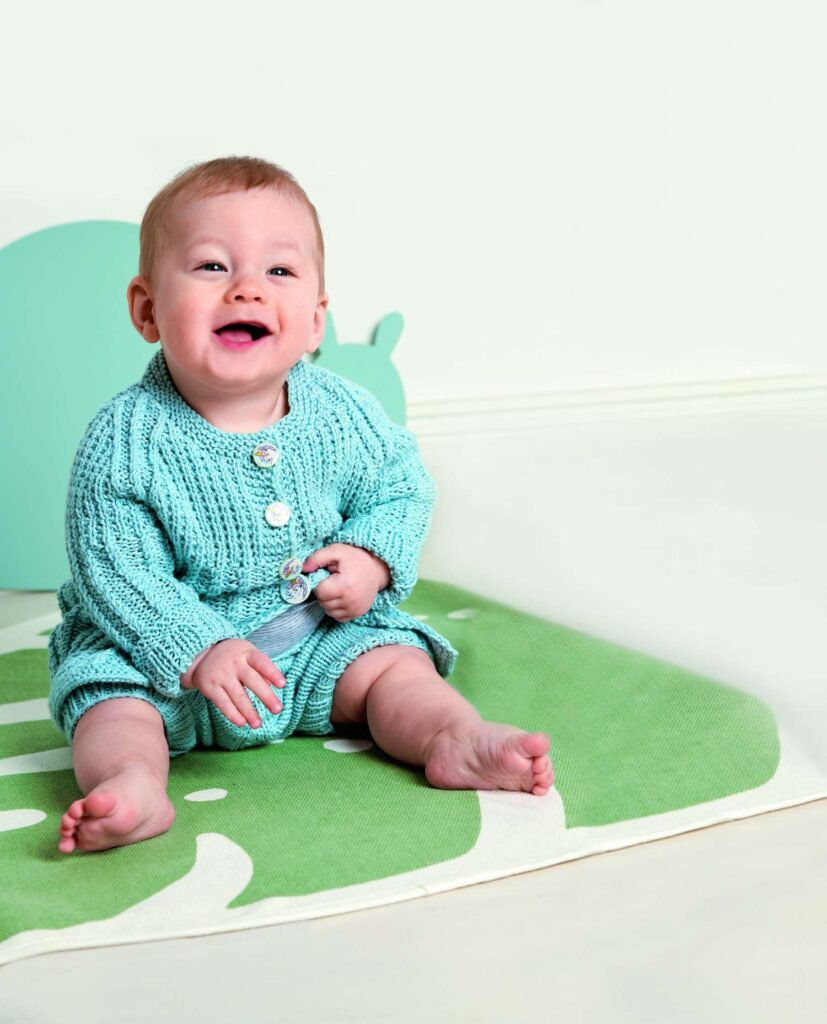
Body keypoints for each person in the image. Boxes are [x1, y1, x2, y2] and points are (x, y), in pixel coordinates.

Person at [48, 156, 554, 854]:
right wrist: (197, 647)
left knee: (393, 664)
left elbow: (401, 486)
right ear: (147, 309)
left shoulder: (341, 411)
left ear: (315, 321)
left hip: (314, 640)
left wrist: (372, 558)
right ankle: (132, 784)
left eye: (279, 271)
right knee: (109, 703)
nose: (247, 289)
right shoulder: (125, 440)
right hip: (162, 665)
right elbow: (114, 568)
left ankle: (451, 736)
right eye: (211, 266)